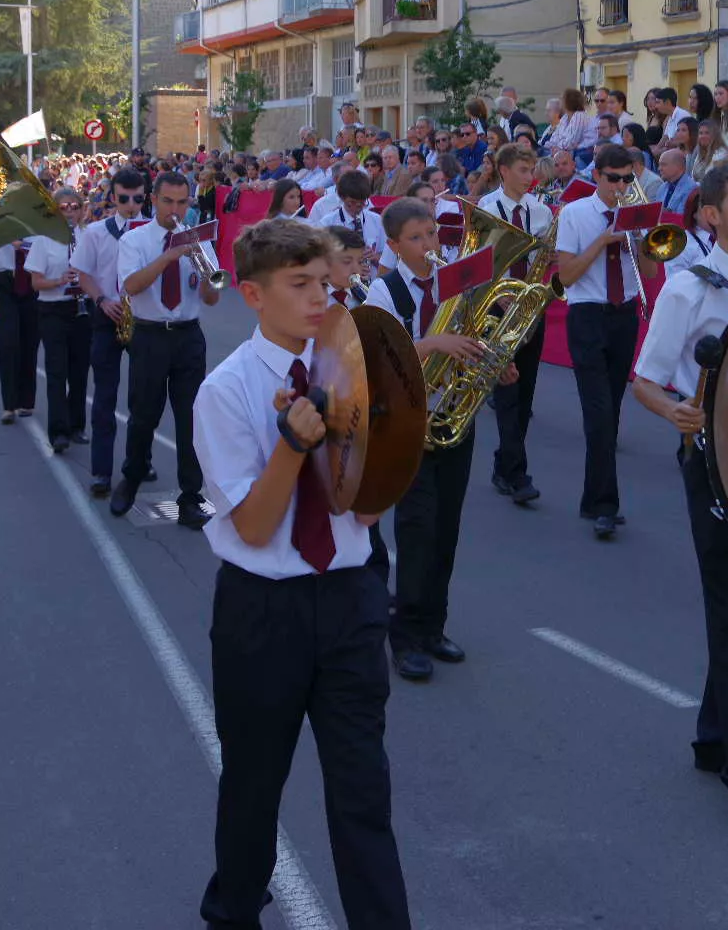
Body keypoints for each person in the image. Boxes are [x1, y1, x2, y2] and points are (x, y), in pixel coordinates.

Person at [190, 219, 411, 930]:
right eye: (300, 285)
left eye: (325, 281)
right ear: (253, 295)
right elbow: (253, 527)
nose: (322, 297)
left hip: (349, 598)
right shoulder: (224, 392)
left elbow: (369, 508)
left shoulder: (352, 371)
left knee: (362, 793)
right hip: (264, 609)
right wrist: (293, 444)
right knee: (254, 787)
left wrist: (383, 451)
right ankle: (233, 912)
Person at [631, 163, 728, 818]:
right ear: (709, 215)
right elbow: (646, 378)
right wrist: (675, 414)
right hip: (715, 461)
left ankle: (712, 735)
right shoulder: (686, 290)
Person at [364, 200, 505, 681]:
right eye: (419, 238)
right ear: (396, 246)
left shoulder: (457, 286)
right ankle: (403, 638)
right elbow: (376, 360)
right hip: (407, 427)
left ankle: (433, 627)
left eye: (434, 235)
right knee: (417, 532)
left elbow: (473, 337)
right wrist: (431, 344)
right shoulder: (382, 294)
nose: (431, 246)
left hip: (453, 419)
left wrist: (492, 360)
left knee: (447, 530)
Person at [111, 172, 222, 524]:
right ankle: (132, 476)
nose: (175, 209)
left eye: (182, 202)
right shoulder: (136, 240)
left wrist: (205, 277)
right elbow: (130, 286)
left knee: (191, 419)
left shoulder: (201, 241)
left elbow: (212, 297)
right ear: (154, 201)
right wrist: (169, 257)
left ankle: (190, 496)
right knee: (144, 413)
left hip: (188, 336)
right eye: (168, 202)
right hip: (149, 335)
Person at [556, 144, 653, 540]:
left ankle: (592, 497)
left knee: (610, 413)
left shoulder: (636, 215)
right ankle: (606, 506)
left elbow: (649, 268)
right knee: (598, 413)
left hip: (623, 315)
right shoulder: (576, 215)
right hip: (588, 315)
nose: (620, 186)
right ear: (596, 177)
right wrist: (604, 240)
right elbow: (565, 276)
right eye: (613, 179)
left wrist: (641, 236)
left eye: (627, 179)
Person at [478, 144, 553, 508]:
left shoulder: (540, 212)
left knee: (525, 395)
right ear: (503, 171)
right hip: (498, 309)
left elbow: (544, 260)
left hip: (531, 307)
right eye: (523, 170)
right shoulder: (486, 210)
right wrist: (496, 293)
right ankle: (517, 473)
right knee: (507, 392)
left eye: (531, 170)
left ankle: (503, 466)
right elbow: (476, 266)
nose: (529, 177)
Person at [71, 167, 148, 498]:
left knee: (144, 399)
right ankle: (101, 471)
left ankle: (139, 461)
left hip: (143, 319)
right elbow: (82, 273)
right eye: (124, 198)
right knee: (105, 396)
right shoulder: (96, 232)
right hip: (107, 317)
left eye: (138, 198)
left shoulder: (153, 232)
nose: (131, 204)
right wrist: (101, 300)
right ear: (113, 198)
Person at [27, 189, 93, 456]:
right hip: (52, 309)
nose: (70, 212)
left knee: (79, 372)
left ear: (81, 209)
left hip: (82, 310)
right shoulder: (44, 240)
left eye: (74, 206)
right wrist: (59, 280)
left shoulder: (87, 237)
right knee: (57, 373)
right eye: (64, 207)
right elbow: (35, 282)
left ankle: (77, 426)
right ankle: (59, 432)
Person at [0, 232, 41, 424]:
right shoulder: (0, 223)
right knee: (8, 342)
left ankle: (26, 401)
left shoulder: (39, 223)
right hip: (4, 283)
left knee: (30, 341)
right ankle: (8, 405)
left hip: (32, 281)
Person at [307, 170, 387, 266]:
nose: (357, 207)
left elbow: (388, 256)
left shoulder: (377, 220)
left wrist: (375, 256)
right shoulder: (327, 223)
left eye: (362, 202)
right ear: (342, 198)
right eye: (352, 202)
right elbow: (317, 259)